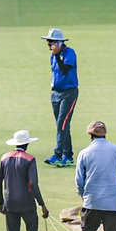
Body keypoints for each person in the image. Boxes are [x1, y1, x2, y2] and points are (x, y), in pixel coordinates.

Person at [0, 129, 49, 231]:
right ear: (27, 144)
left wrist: (1, 203)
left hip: (9, 203)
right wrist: (42, 204)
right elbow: (33, 183)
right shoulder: (30, 159)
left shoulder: (4, 158)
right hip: (27, 203)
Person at [43, 28, 78, 167]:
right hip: (56, 94)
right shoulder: (53, 55)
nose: (49, 45)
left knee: (61, 124)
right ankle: (68, 156)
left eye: (50, 43)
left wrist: (57, 55)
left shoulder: (70, 53)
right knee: (63, 125)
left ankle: (58, 155)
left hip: (69, 93)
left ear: (59, 43)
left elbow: (64, 70)